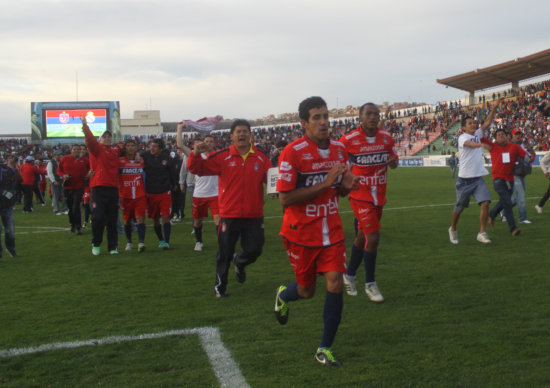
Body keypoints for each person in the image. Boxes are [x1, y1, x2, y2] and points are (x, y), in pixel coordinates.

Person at [274, 96, 357, 367]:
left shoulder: (339, 150)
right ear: (304, 124)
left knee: (335, 282)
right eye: (316, 118)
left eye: (325, 117)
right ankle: (284, 295)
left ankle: (325, 348)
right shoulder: (292, 152)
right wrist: (325, 184)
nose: (323, 122)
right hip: (301, 233)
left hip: (331, 231)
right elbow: (285, 199)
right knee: (307, 291)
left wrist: (346, 185)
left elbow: (339, 192)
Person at [187, 119, 271, 298]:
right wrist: (195, 153)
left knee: (256, 249)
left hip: (254, 214)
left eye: (245, 131)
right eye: (238, 131)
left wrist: (278, 189)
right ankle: (220, 287)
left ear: (250, 135)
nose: (242, 134)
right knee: (224, 252)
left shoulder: (261, 158)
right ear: (231, 136)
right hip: (229, 214)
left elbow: (271, 180)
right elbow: (197, 169)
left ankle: (239, 263)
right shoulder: (222, 156)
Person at [339, 102, 398, 303]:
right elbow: (340, 165)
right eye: (369, 114)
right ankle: (370, 284)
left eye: (376, 114)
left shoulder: (387, 138)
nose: (373, 117)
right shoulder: (348, 140)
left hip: (379, 194)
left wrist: (392, 162)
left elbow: (395, 161)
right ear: (360, 117)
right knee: (373, 237)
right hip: (360, 194)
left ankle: (349, 275)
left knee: (361, 237)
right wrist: (346, 180)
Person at [449, 98, 502, 245]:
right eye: (470, 123)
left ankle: (482, 233)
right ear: (464, 128)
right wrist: (481, 144)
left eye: (474, 122)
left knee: (485, 203)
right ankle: (453, 228)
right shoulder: (462, 137)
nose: (473, 124)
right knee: (459, 208)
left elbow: (487, 123)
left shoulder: (477, 134)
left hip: (478, 178)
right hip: (464, 180)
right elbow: (470, 145)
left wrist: (494, 107)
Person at [82, 117, 121, 255]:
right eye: (104, 136)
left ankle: (113, 246)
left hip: (112, 188)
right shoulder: (97, 149)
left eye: (109, 136)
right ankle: (96, 243)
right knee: (98, 217)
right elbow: (90, 140)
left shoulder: (115, 151)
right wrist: (85, 125)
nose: (107, 138)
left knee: (112, 219)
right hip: (98, 187)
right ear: (100, 139)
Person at [176, 125, 219, 252]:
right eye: (206, 141)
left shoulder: (218, 155)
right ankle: (199, 241)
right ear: (202, 143)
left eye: (211, 141)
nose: (209, 143)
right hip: (199, 194)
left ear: (214, 144)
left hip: (215, 194)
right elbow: (180, 145)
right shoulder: (195, 155)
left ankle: (222, 242)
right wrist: (179, 128)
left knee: (218, 219)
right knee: (198, 221)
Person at [482, 129, 532, 235]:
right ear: (495, 138)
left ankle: (492, 213)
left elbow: (526, 156)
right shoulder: (493, 146)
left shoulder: (514, 147)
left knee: (504, 201)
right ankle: (513, 227)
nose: (501, 136)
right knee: (507, 202)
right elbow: (481, 137)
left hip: (510, 179)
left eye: (503, 134)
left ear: (507, 136)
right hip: (498, 179)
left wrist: (529, 158)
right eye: (498, 135)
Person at [141, 138, 177, 249]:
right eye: (151, 146)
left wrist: (175, 184)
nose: (152, 148)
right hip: (151, 193)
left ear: (161, 149)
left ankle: (166, 241)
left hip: (164, 192)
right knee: (155, 219)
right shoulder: (145, 156)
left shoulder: (167, 159)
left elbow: (173, 173)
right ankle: (161, 240)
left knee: (166, 217)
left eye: (155, 146)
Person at [118, 139, 147, 252]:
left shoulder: (141, 160)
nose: (130, 148)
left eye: (132, 146)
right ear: (124, 148)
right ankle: (129, 242)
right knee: (127, 221)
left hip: (140, 195)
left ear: (136, 148)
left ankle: (141, 243)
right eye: (128, 145)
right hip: (125, 196)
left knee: (140, 219)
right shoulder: (119, 161)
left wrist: (140, 154)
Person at [57, 144, 90, 234]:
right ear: (71, 150)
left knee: (76, 206)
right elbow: (59, 170)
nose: (76, 151)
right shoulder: (65, 159)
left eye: (78, 149)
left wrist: (88, 175)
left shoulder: (85, 160)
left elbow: (91, 169)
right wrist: (64, 175)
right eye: (74, 149)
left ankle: (78, 226)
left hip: (79, 186)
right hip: (68, 186)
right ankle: (72, 224)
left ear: (80, 151)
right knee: (70, 207)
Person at [510, 129, 535, 224]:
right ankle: (522, 218)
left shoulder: (524, 145)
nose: (518, 136)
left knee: (517, 197)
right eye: (516, 134)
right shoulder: (510, 145)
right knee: (520, 196)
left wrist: (532, 156)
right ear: (512, 135)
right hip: (514, 172)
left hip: (522, 172)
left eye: (519, 134)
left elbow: (531, 152)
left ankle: (503, 208)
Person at [0, 157, 22, 258]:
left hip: (6, 204)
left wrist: (15, 168)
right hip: (6, 202)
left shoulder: (7, 169)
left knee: (10, 230)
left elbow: (20, 179)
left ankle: (10, 248)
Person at [47, 150, 68, 215]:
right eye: (58, 155)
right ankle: (56, 210)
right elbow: (50, 173)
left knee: (63, 195)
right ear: (55, 155)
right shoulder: (51, 162)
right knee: (55, 196)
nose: (59, 156)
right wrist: (53, 181)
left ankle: (64, 209)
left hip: (61, 180)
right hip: (55, 181)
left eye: (60, 155)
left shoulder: (61, 162)